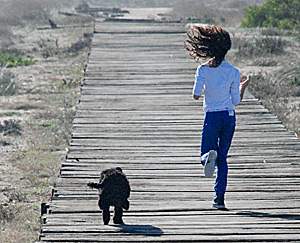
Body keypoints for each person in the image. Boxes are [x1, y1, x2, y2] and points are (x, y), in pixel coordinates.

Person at [184, 25, 250, 209]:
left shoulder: (203, 70)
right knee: (223, 159)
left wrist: (207, 88)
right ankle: (219, 199)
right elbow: (236, 101)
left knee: (206, 154)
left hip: (212, 116)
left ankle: (207, 158)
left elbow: (196, 95)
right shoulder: (233, 71)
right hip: (229, 116)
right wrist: (242, 87)